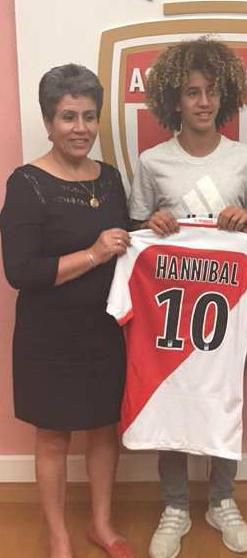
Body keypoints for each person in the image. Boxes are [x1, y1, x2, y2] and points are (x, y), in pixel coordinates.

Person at [129, 38, 247, 558]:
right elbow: (136, 235)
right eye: (192, 92)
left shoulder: (244, 159)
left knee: (223, 397)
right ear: (175, 99)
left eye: (212, 92)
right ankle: (173, 505)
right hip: (169, 311)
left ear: (226, 96)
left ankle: (222, 498)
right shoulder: (152, 162)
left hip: (226, 309)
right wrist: (152, 223)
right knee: (171, 397)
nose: (203, 102)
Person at [0, 64, 135, 558]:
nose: (80, 128)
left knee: (104, 429)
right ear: (47, 121)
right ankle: (59, 536)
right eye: (67, 117)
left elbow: (132, 240)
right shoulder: (27, 183)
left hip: (103, 330)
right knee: (54, 435)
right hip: (47, 336)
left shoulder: (113, 179)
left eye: (88, 116)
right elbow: (21, 272)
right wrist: (94, 254)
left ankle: (101, 525)